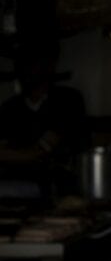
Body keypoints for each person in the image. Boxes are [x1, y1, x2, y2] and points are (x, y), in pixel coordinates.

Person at [0, 39, 89, 199]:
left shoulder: (67, 101)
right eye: (23, 63)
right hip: (14, 184)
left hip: (56, 186)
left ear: (50, 66)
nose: (27, 69)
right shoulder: (10, 108)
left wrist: (14, 154)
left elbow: (40, 152)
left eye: (34, 62)